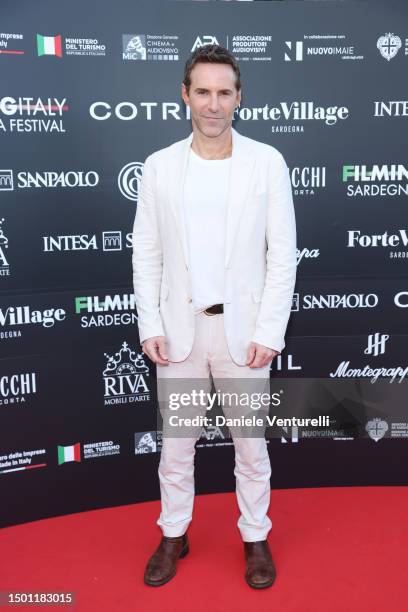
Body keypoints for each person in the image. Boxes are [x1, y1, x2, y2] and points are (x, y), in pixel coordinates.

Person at [132, 44, 297, 589]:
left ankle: (255, 536)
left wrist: (270, 331)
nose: (213, 103)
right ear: (185, 95)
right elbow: (147, 255)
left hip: (243, 334)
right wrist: (149, 324)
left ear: (239, 97)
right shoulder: (158, 167)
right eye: (202, 91)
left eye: (224, 92)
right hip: (179, 334)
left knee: (251, 447)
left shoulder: (267, 162)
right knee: (176, 448)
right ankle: (174, 532)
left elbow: (282, 255)